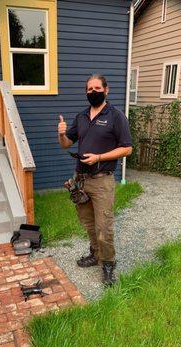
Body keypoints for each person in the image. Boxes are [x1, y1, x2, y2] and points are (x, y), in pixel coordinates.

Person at [57, 74, 133, 286]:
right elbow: (66, 144)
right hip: (81, 180)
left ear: (106, 90)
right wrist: (62, 134)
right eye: (89, 89)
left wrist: (99, 157)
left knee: (104, 226)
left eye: (97, 88)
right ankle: (95, 254)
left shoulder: (116, 116)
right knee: (89, 223)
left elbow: (127, 148)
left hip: (102, 181)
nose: (93, 92)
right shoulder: (81, 117)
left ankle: (108, 264)